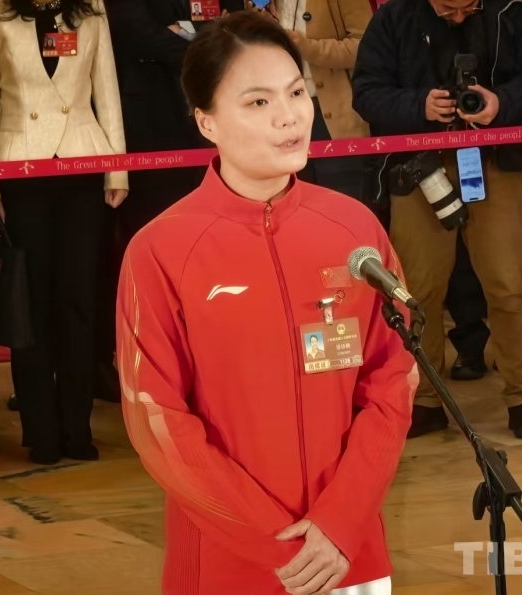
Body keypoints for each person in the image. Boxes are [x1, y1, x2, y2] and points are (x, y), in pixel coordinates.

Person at [117, 12, 415, 595]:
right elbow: (157, 418)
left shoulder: (355, 229)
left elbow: (393, 376)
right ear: (206, 120)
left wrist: (342, 520)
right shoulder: (160, 250)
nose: (289, 116)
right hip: (230, 562)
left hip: (348, 552)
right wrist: (274, 543)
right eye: (258, 101)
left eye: (296, 92)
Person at [352, 0, 522, 439]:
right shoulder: (394, 18)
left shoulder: (509, 10)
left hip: (494, 160)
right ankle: (424, 399)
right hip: (418, 167)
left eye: (470, 7)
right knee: (416, 289)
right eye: (449, 9)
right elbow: (366, 92)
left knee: (510, 282)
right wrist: (419, 105)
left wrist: (500, 103)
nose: (460, 16)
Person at [0, 0, 128, 465]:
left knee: (78, 302)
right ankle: (40, 431)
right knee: (32, 304)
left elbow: (107, 91)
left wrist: (117, 169)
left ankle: (77, 428)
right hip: (20, 166)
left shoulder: (91, 11)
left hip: (82, 163)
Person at [244, 0, 373, 202]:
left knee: (341, 204)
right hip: (280, 117)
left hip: (333, 119)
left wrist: (307, 47)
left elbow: (366, 46)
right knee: (293, 205)